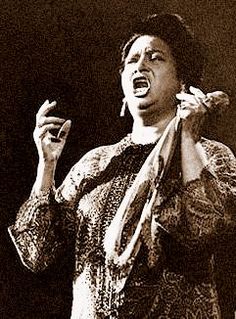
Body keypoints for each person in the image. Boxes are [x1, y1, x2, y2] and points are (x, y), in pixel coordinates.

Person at [8, 13, 236, 318]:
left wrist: (189, 138)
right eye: (132, 60)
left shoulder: (210, 154)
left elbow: (203, 228)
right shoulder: (95, 163)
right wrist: (46, 166)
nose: (140, 65)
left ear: (182, 81)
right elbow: (37, 253)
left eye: (155, 58)